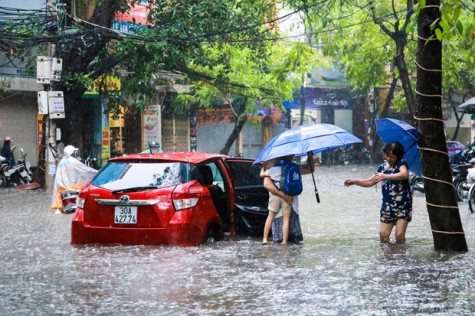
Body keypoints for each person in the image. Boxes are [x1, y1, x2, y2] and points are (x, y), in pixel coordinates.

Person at [344, 141, 412, 244]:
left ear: (398, 156)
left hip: (403, 205)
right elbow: (370, 182)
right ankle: (387, 257)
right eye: (387, 156)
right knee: (383, 235)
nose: (389, 159)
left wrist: (386, 177)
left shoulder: (401, 163)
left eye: (392, 157)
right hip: (387, 205)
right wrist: (355, 181)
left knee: (399, 235)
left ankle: (401, 256)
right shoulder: (382, 167)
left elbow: (404, 175)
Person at [51, 145, 98, 213]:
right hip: (73, 187)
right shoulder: (74, 161)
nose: (76, 154)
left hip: (62, 188)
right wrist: (99, 172)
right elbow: (86, 171)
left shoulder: (61, 162)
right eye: (74, 153)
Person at [260, 158, 293, 245]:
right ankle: (284, 241)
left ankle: (265, 239)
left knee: (270, 217)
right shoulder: (288, 168)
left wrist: (264, 166)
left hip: (275, 195)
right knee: (286, 219)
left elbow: (261, 174)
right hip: (287, 195)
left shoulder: (272, 170)